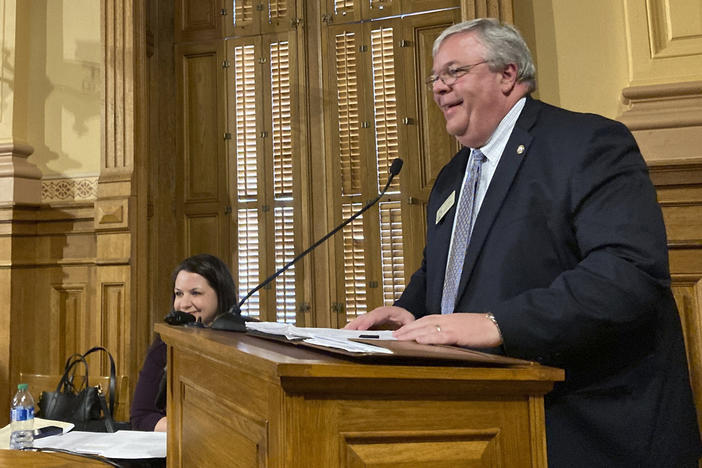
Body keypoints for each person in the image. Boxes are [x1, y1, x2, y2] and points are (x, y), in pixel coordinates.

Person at [345, 18, 701, 467]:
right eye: (435, 77)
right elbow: (445, 269)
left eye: (454, 72)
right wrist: (409, 311)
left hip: (586, 425)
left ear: (508, 74)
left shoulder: (586, 142)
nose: (438, 88)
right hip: (485, 426)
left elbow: (626, 274)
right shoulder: (452, 176)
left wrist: (499, 324)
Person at [130, 254, 237, 431]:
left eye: (195, 293)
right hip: (181, 445)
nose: (183, 304)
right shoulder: (165, 343)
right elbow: (141, 417)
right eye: (179, 294)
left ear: (220, 294)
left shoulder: (244, 342)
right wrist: (193, 431)